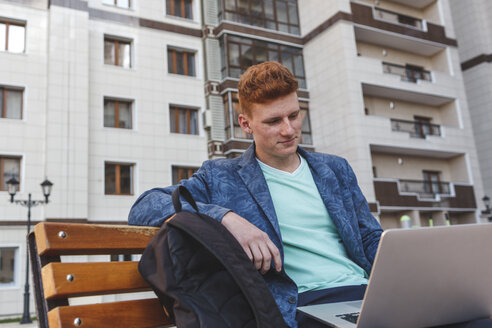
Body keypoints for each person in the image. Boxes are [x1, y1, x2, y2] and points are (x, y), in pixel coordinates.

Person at [128, 62, 491, 327]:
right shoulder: (222, 177)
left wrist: (420, 269)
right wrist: (226, 219)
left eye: (294, 116)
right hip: (302, 304)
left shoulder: (334, 169)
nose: (288, 130)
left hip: (368, 295)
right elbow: (145, 206)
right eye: (273, 121)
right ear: (245, 123)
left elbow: (368, 238)